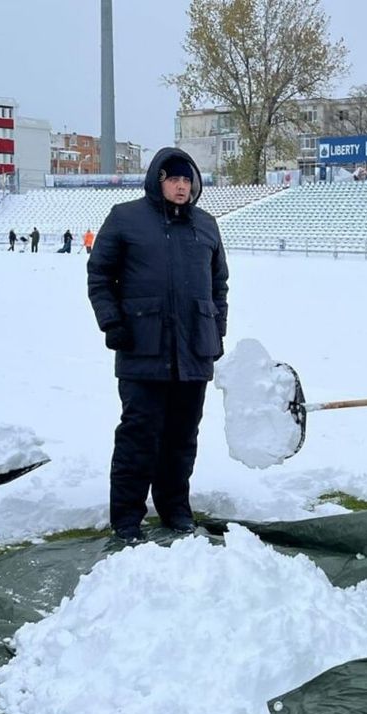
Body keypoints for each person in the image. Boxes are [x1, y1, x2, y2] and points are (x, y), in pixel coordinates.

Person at [87, 147, 228, 543]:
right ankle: (127, 518)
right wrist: (112, 322)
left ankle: (175, 508)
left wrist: (216, 331)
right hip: (142, 346)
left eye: (187, 180)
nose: (182, 187)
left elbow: (219, 285)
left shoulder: (206, 225)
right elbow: (99, 275)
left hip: (194, 350)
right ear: (158, 181)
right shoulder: (125, 218)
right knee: (139, 435)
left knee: (182, 438)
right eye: (174, 179)